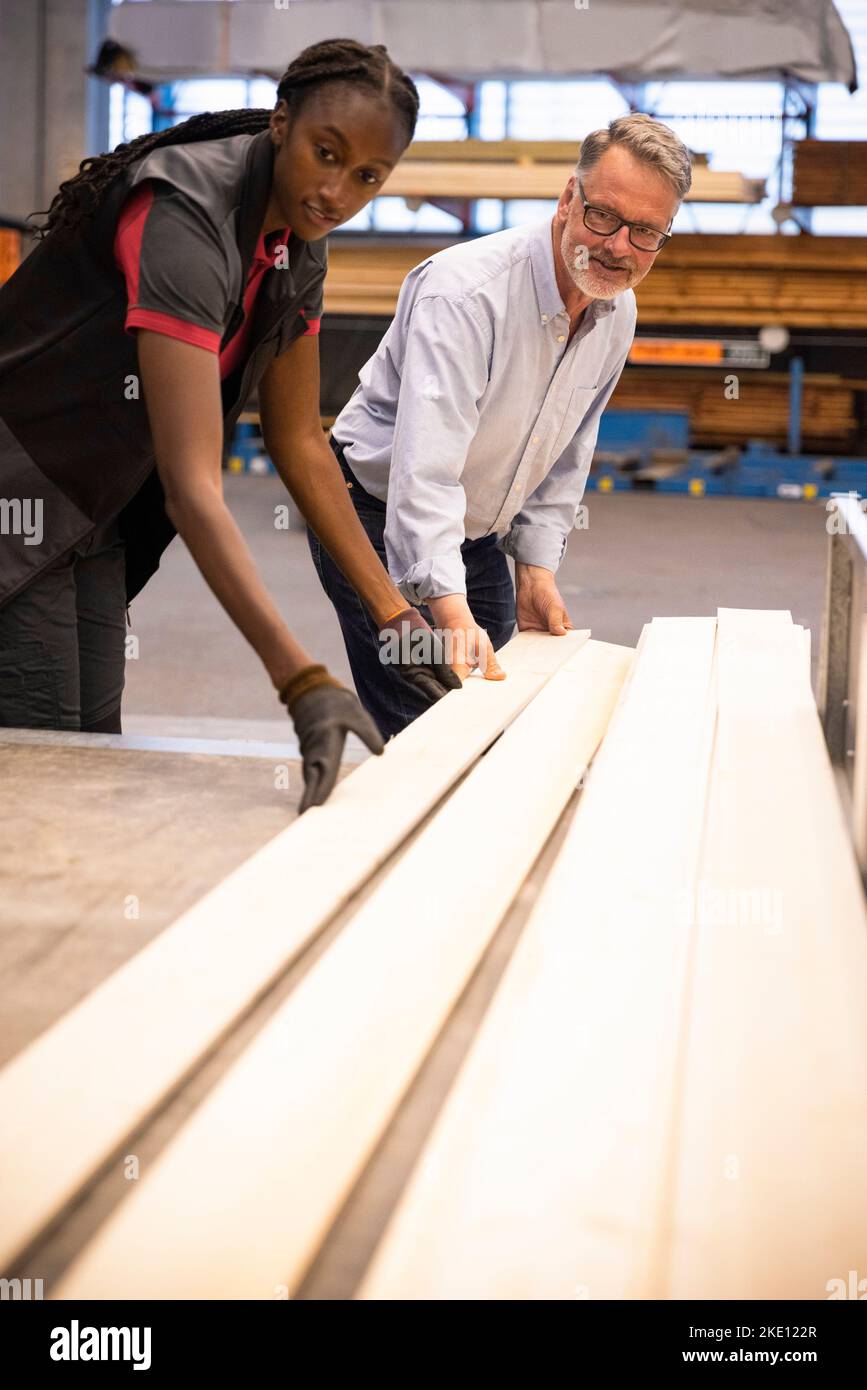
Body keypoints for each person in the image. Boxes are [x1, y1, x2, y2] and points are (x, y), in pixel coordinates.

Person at [0, 38, 458, 812]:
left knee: (88, 742)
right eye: (326, 152)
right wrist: (301, 682)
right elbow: (192, 486)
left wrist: (394, 615)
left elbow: (299, 440)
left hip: (94, 507)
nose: (336, 191)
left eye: (368, 177)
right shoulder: (183, 212)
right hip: (18, 485)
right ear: (281, 123)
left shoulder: (296, 248)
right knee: (44, 756)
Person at [310, 113, 692, 739]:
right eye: (603, 216)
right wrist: (447, 606)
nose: (618, 247)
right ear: (570, 196)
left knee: (498, 713)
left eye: (645, 232)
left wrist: (536, 569)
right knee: (433, 727)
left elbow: (568, 448)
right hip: (372, 520)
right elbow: (424, 467)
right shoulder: (465, 295)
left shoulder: (616, 310)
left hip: (477, 529)